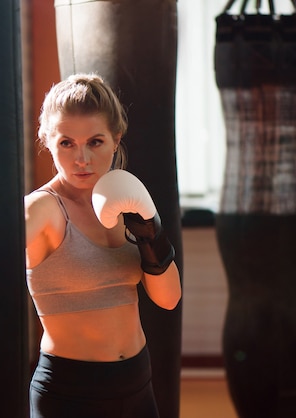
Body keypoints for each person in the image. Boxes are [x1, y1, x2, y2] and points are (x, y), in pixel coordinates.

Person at [25, 73, 182, 418]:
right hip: (71, 395)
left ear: (116, 139)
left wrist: (149, 231)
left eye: (95, 142)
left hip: (139, 385)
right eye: (67, 143)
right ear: (48, 142)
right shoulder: (43, 210)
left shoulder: (125, 202)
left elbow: (168, 299)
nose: (82, 159)